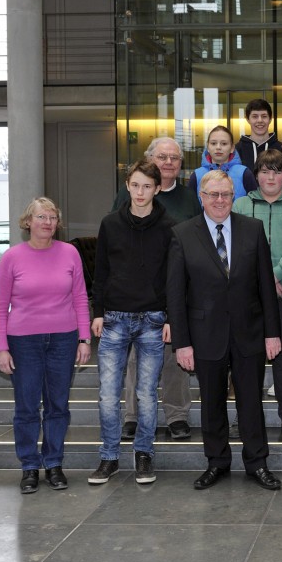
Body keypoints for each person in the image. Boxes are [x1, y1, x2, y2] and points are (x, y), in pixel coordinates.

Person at [167, 170, 282, 491]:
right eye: (213, 194)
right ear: (201, 197)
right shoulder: (182, 234)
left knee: (251, 401)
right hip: (205, 334)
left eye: (226, 195)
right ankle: (217, 462)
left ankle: (257, 463)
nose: (220, 201)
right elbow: (175, 294)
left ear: (234, 197)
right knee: (212, 403)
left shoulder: (253, 229)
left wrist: (272, 333)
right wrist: (182, 343)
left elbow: (265, 286)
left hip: (249, 331)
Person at [0, 197, 91, 493]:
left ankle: (54, 463)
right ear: (28, 222)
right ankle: (29, 466)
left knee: (58, 405)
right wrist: (1, 347)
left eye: (52, 217)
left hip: (64, 338)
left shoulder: (70, 253)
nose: (47, 222)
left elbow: (80, 298)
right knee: (26, 406)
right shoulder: (12, 257)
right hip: (23, 342)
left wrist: (85, 338)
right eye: (40, 217)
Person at [88, 159, 174, 485]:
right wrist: (98, 311)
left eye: (147, 186)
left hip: (153, 318)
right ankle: (109, 457)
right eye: (135, 185)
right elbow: (101, 273)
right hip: (114, 319)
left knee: (146, 394)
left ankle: (144, 454)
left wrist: (172, 317)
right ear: (128, 185)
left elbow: (172, 277)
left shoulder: (170, 228)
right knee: (108, 395)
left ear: (158, 188)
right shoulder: (110, 224)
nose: (140, 192)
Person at [112, 137, 199, 442]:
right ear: (150, 159)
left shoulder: (189, 198)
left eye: (174, 158)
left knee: (176, 354)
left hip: (176, 288)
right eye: (162, 156)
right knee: (137, 358)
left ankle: (176, 415)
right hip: (137, 294)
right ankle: (133, 415)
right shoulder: (130, 194)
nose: (169, 162)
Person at [232, 149, 282, 440]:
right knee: (247, 356)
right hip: (247, 294)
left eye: (277, 171)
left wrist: (274, 275)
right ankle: (245, 415)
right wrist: (262, 281)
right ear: (256, 175)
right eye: (265, 171)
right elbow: (235, 248)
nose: (270, 177)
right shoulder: (240, 205)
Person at [189, 125, 258, 203]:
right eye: (213, 143)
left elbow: (254, 206)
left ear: (232, 148)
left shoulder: (244, 173)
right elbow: (191, 208)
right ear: (208, 147)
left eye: (224, 144)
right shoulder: (197, 175)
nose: (218, 147)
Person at [236, 98, 282, 171]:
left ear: (270, 119)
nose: (260, 120)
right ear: (248, 119)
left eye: (264, 116)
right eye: (255, 116)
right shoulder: (237, 150)